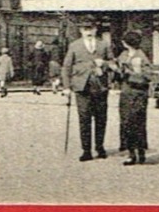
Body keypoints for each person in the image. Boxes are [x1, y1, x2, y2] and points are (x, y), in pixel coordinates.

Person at [61, 18, 115, 161]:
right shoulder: (74, 46)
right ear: (81, 31)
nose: (88, 32)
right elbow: (66, 67)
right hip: (81, 87)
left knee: (101, 118)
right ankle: (86, 150)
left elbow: (112, 62)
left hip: (100, 87)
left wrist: (103, 63)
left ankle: (100, 147)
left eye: (91, 28)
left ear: (96, 29)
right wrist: (66, 87)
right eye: (85, 29)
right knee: (84, 119)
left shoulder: (103, 45)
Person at [117, 30, 152, 165]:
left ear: (126, 43)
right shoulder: (123, 55)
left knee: (137, 122)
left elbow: (147, 76)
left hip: (138, 93)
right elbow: (119, 74)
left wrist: (130, 73)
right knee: (126, 122)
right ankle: (131, 153)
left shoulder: (141, 56)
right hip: (126, 93)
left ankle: (141, 152)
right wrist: (117, 70)